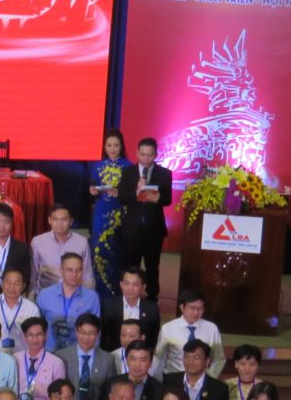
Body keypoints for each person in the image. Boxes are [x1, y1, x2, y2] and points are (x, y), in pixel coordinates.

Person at [118, 137, 173, 299]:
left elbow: (168, 200)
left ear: (155, 154)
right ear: (137, 153)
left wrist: (157, 199)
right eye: (142, 154)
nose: (145, 158)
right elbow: (122, 197)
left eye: (149, 155)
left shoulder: (164, 174)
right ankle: (129, 296)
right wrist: (136, 192)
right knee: (130, 264)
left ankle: (152, 296)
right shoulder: (128, 172)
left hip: (154, 228)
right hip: (132, 228)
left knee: (152, 265)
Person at [87, 131, 131, 298]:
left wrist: (118, 193)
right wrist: (92, 191)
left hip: (119, 212)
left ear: (121, 147)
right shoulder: (97, 166)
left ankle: (115, 290)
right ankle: (99, 289)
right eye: (109, 145)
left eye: (116, 145)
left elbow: (130, 193)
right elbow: (94, 188)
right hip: (101, 211)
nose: (112, 149)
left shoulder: (128, 166)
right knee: (98, 248)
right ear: (104, 147)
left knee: (115, 248)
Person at [36, 253, 99, 351]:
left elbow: (96, 332)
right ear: (61, 270)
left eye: (78, 270)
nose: (74, 275)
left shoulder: (92, 297)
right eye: (69, 270)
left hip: (79, 355)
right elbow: (37, 328)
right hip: (50, 354)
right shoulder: (44, 295)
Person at [156, 290, 227, 376]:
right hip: (174, 378)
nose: (196, 312)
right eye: (192, 308)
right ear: (182, 307)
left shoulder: (211, 329)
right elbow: (159, 358)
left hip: (202, 379)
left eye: (200, 309)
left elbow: (219, 359)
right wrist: (159, 380)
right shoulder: (168, 328)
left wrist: (210, 378)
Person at [57, 313, 115, 400]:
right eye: (82, 332)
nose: (86, 337)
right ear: (76, 331)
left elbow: (110, 391)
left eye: (91, 333)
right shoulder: (61, 356)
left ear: (98, 334)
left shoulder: (108, 359)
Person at [30, 205, 93, 298]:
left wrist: (88, 297)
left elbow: (87, 274)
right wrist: (31, 297)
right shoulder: (37, 242)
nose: (59, 224)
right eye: (55, 219)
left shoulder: (82, 242)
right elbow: (33, 272)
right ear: (49, 220)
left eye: (64, 220)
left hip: (74, 295)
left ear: (71, 221)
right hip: (46, 295)